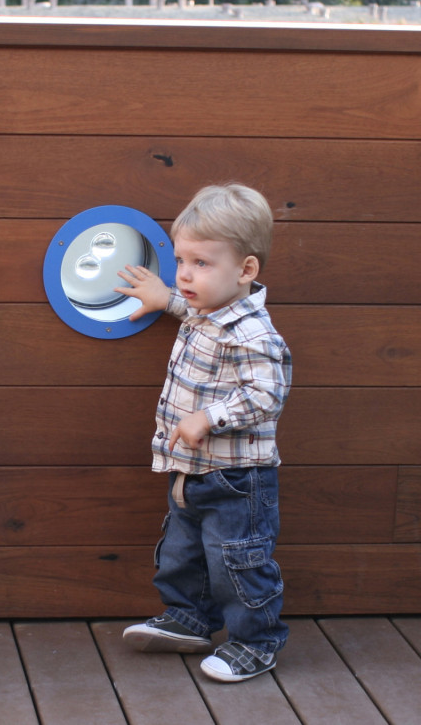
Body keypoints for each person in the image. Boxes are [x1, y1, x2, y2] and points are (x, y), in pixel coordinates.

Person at [113, 184, 292, 683]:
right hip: (190, 472)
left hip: (238, 479)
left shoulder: (253, 332)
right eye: (181, 260)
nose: (186, 274)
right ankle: (190, 620)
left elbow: (267, 394)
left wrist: (208, 417)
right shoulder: (210, 311)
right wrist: (163, 297)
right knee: (182, 552)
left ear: (246, 270)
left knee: (237, 563)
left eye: (202, 264)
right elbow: (190, 310)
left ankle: (256, 642)